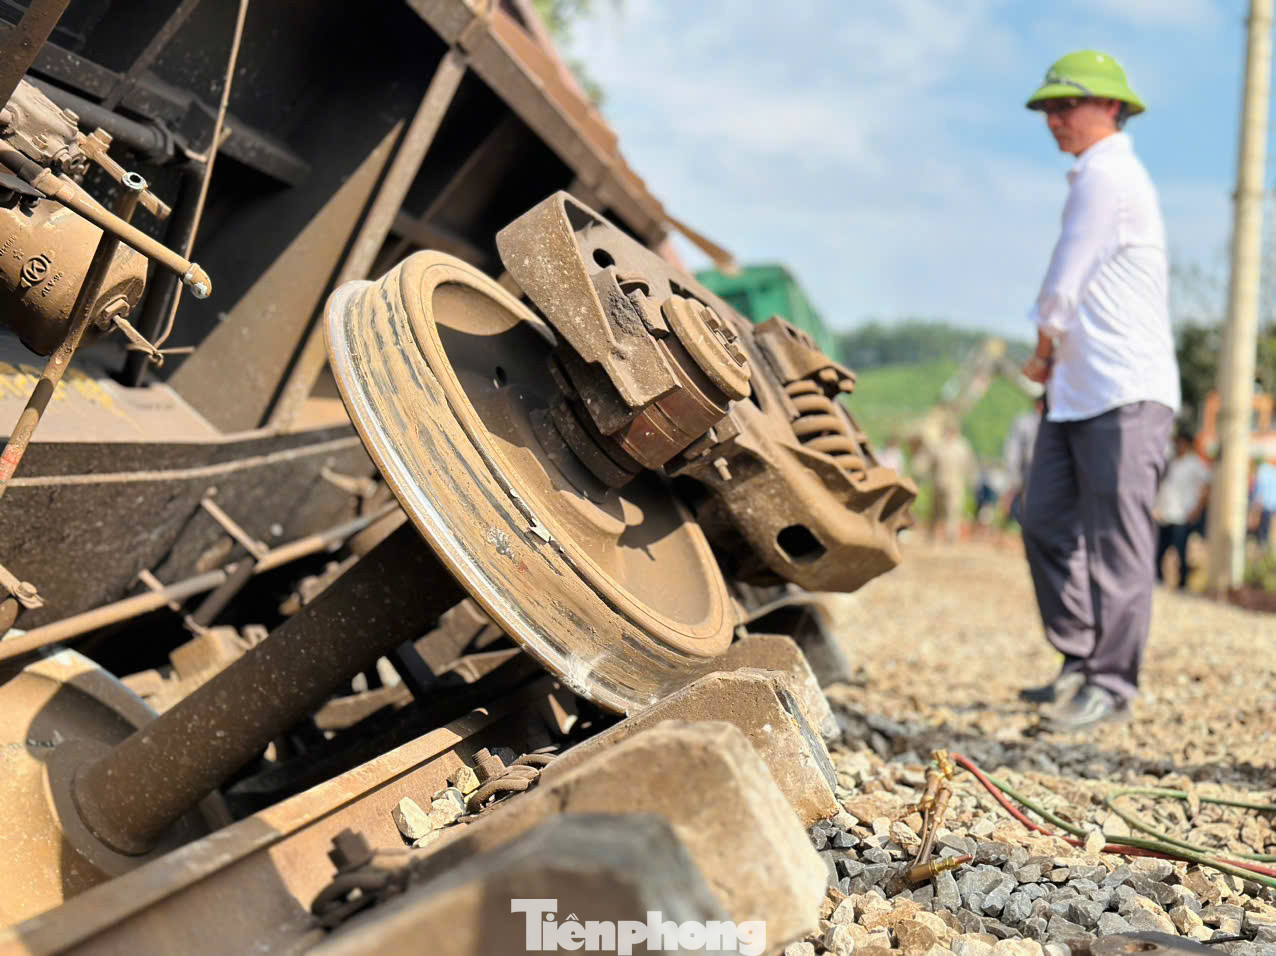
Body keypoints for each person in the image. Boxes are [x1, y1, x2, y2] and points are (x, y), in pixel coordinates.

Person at [1015, 50, 1180, 732]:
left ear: (1111, 108)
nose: (1054, 119)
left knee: (1117, 544)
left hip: (1123, 389)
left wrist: (1044, 348)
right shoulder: (1094, 176)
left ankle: (1111, 684)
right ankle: (1082, 657)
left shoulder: (1108, 175)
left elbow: (1065, 276)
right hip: (1080, 391)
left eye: (1066, 105)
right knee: (1045, 521)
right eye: (1049, 108)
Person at [1154, 429, 1211, 589]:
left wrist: (1197, 510)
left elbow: (1207, 486)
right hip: (1165, 513)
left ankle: (1182, 583)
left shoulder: (1195, 464)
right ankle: (1158, 578)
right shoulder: (1170, 463)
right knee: (1160, 549)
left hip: (1182, 514)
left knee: (1180, 551)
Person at [1001, 396, 1045, 524]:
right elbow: (1012, 454)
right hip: (1030, 477)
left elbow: (1011, 455)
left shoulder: (1024, 422)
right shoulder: (1026, 423)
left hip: (1031, 477)